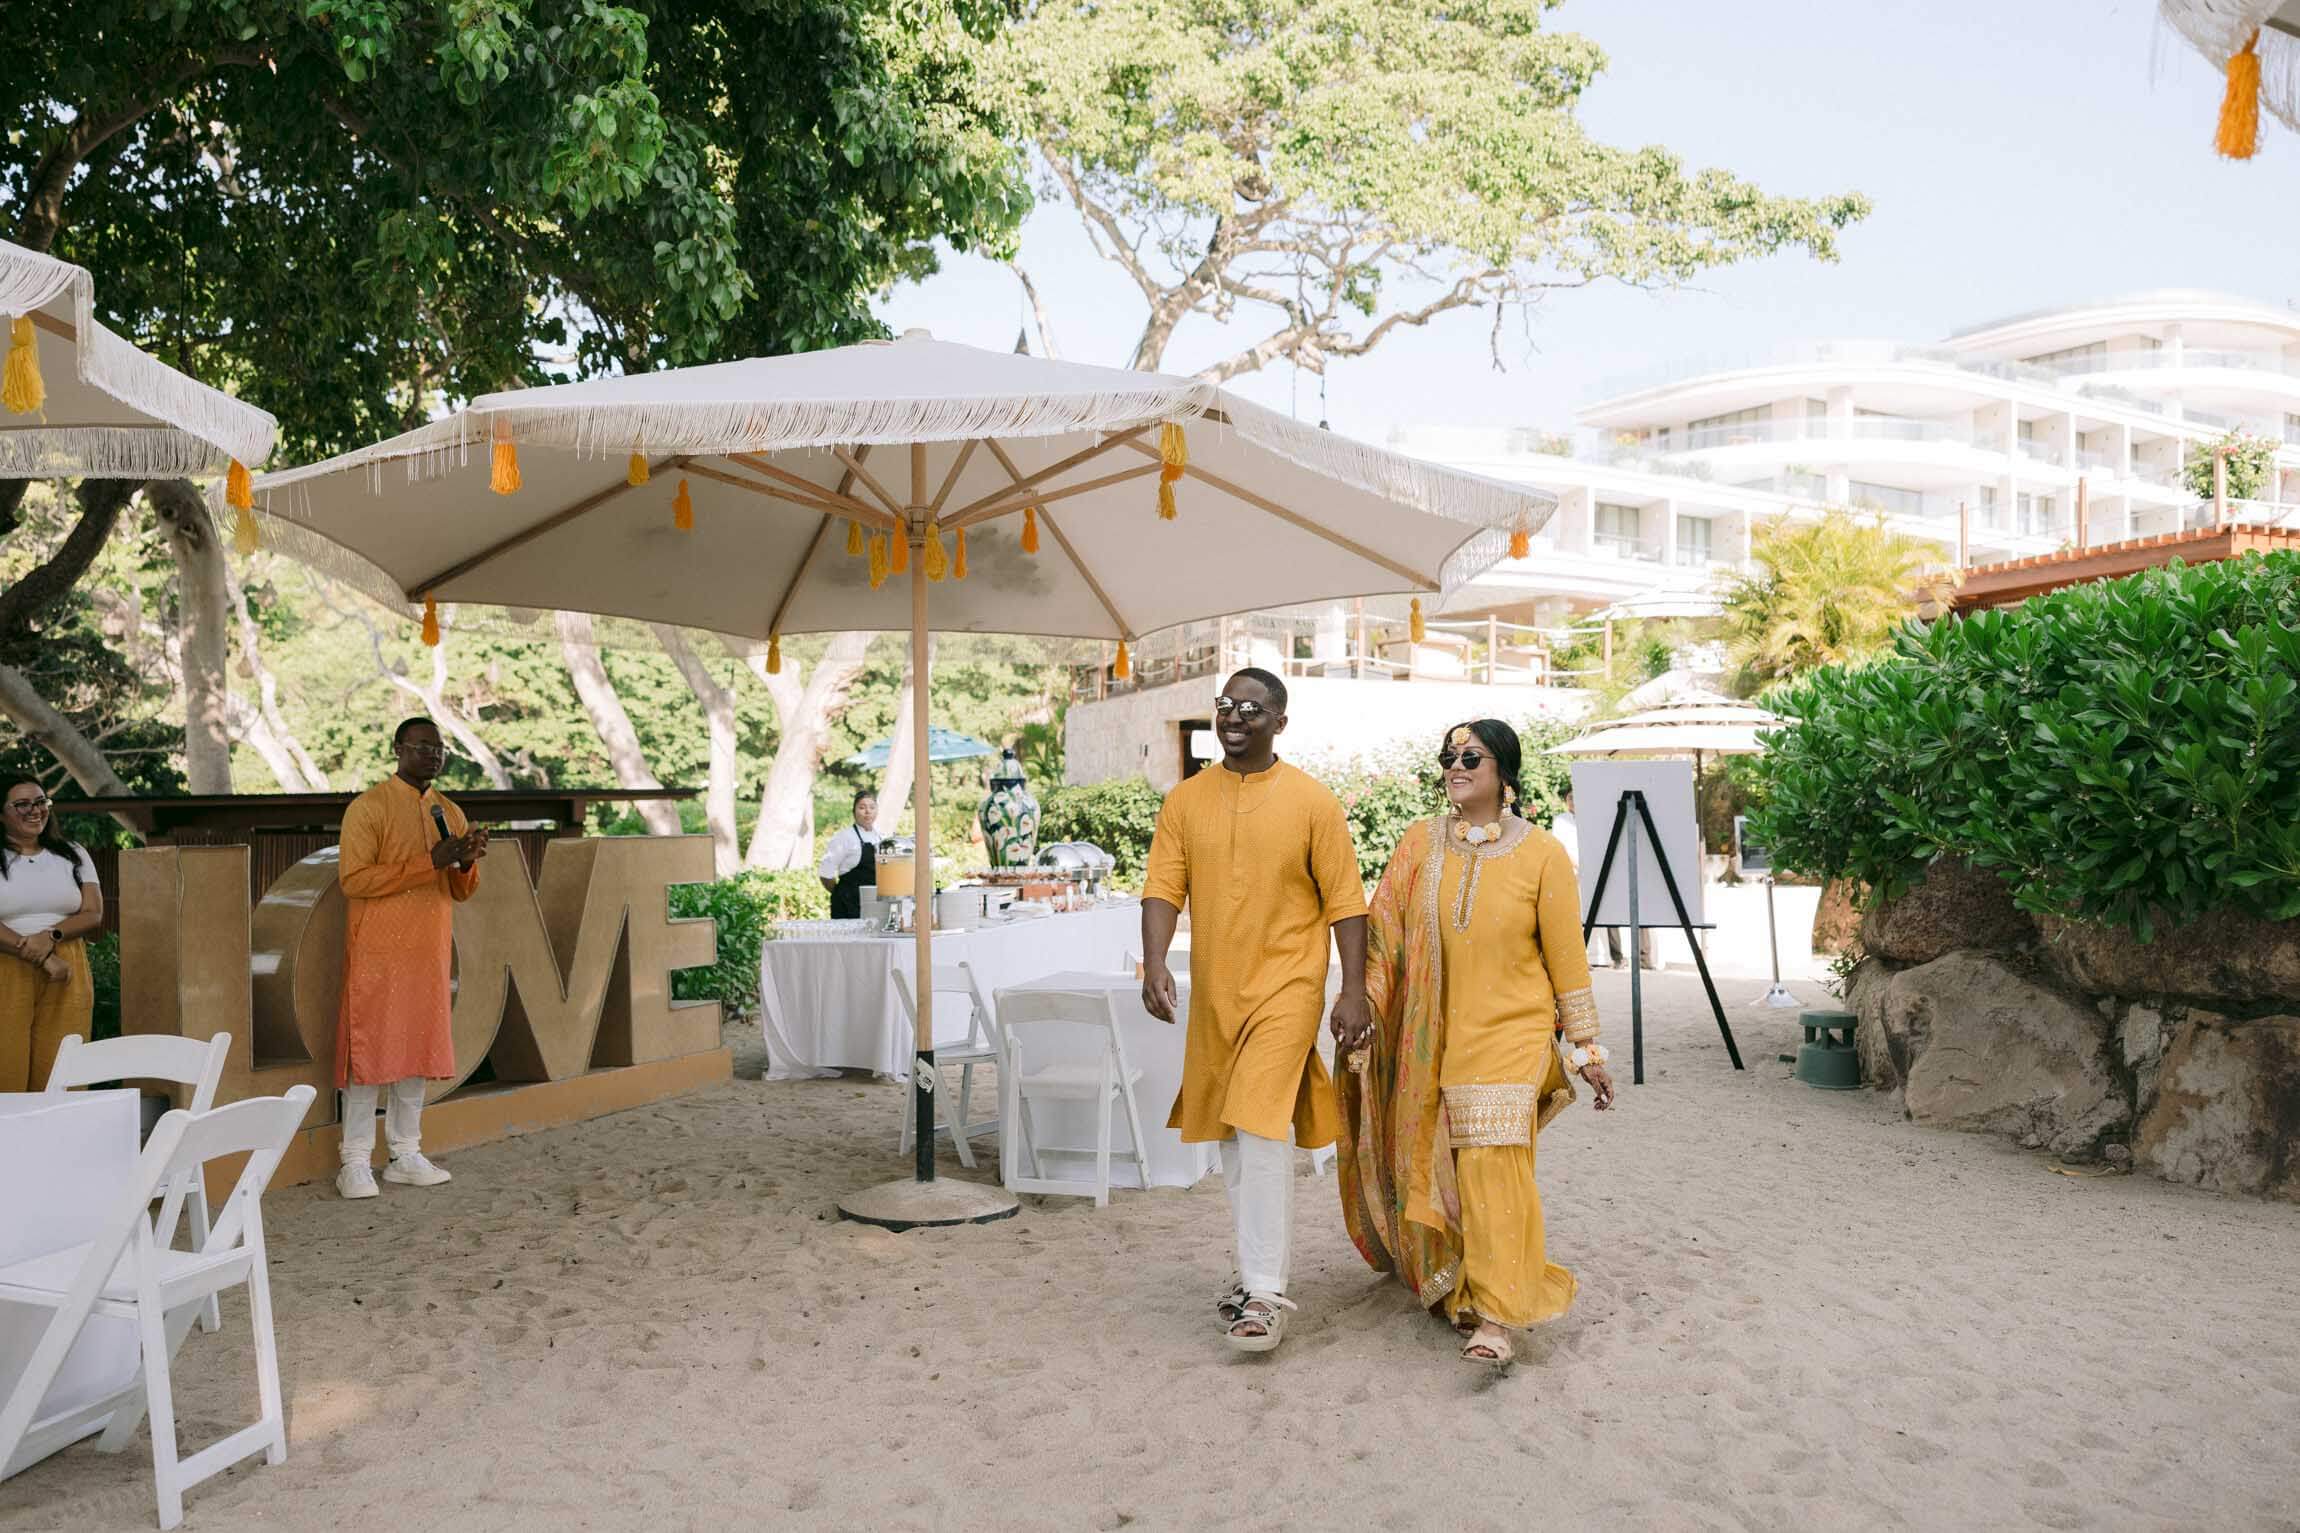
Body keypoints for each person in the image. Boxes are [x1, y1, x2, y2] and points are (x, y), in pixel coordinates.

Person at [1334, 720, 1616, 1368]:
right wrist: (1364, 1003)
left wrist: (1586, 1049)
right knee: (1452, 1170)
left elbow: (1567, 958)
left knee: (1493, 1161)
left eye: (1471, 757)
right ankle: (1470, 1279)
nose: (1455, 766)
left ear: (1503, 773)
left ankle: (1497, 1317)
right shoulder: (1419, 844)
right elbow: (1384, 939)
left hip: (1514, 1032)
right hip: (1434, 1036)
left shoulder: (1542, 853)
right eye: (1449, 757)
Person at [1140, 667, 1369, 1353]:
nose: (1235, 716)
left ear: (1280, 722)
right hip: (1217, 992)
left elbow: (1346, 901)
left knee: (1263, 1127)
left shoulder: (1312, 801)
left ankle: (1266, 1291)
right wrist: (1154, 960)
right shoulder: (1185, 800)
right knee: (1235, 1137)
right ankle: (1251, 1271)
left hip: (1288, 988)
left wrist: (1352, 989)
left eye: (1251, 708)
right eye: (1226, 705)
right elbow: (1163, 887)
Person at [334, 718, 488, 1199]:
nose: (433, 755)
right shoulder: (369, 808)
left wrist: (465, 862)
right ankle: (354, 1161)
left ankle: (405, 1154)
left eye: (439, 748)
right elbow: (353, 880)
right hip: (378, 953)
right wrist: (431, 861)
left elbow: (461, 891)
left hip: (428, 952)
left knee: (417, 1052)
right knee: (369, 1055)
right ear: (398, 749)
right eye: (423, 747)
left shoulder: (450, 811)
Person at [0, 781, 103, 1092]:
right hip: (6, 963)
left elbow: (93, 913)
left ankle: (61, 1126)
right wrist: (41, 956)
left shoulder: (74, 853)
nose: (35, 810)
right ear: (1, 813)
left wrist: (51, 937)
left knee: (62, 1069)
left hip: (67, 965)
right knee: (6, 1066)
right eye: (22, 804)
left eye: (41, 801)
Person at [817, 791, 882, 919]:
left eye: (872, 807)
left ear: (877, 811)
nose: (867, 812)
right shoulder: (844, 837)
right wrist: (841, 894)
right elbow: (825, 873)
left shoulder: (880, 837)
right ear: (854, 812)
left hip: (873, 906)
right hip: (847, 907)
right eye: (862, 807)